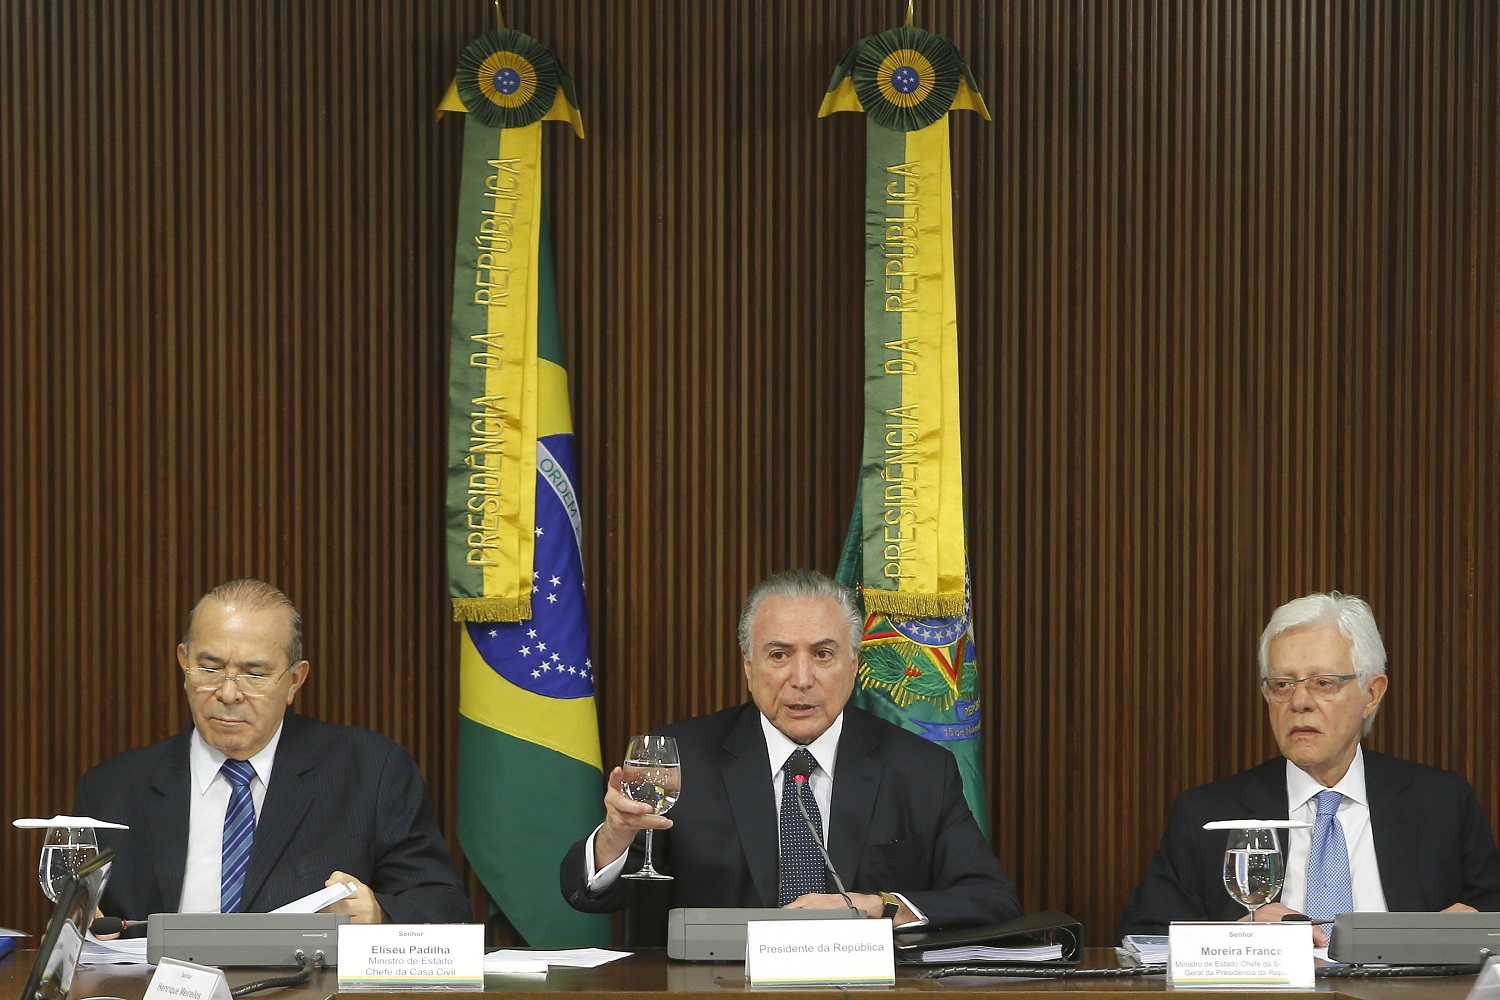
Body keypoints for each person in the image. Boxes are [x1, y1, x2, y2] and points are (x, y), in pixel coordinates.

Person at [559, 569, 1021, 941]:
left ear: (855, 664)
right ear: (748, 664)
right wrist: (614, 838)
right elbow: (590, 895)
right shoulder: (683, 760)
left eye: (823, 654)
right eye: (779, 655)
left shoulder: (919, 769)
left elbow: (991, 898)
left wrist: (879, 905)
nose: (801, 679)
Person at [73, 579, 471, 924]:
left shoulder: (370, 771)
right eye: (210, 669)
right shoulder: (111, 789)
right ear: (184, 662)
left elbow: (444, 906)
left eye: (254, 674)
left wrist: (378, 915)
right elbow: (78, 928)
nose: (228, 693)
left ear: (295, 680)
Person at [1118, 592, 1500, 943]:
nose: (1300, 701)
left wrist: (1470, 929)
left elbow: (1491, 917)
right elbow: (1142, 939)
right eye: (1282, 684)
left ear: (1372, 693)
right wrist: (1234, 938)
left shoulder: (1441, 802)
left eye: (1323, 682)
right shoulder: (1208, 814)